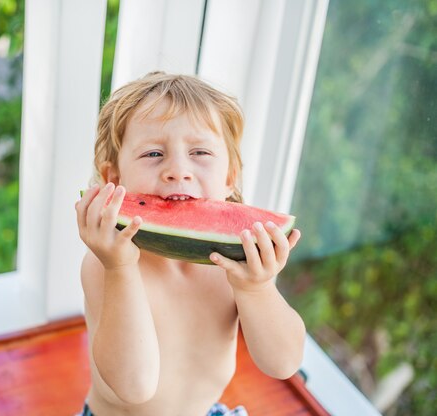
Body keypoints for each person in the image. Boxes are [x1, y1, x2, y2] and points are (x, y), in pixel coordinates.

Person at [75, 72, 305, 416]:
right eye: (153, 153)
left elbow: (284, 364)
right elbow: (133, 386)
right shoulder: (105, 265)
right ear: (114, 179)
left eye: (199, 152)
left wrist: (257, 289)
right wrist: (119, 267)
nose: (178, 170)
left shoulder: (234, 262)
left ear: (229, 178)